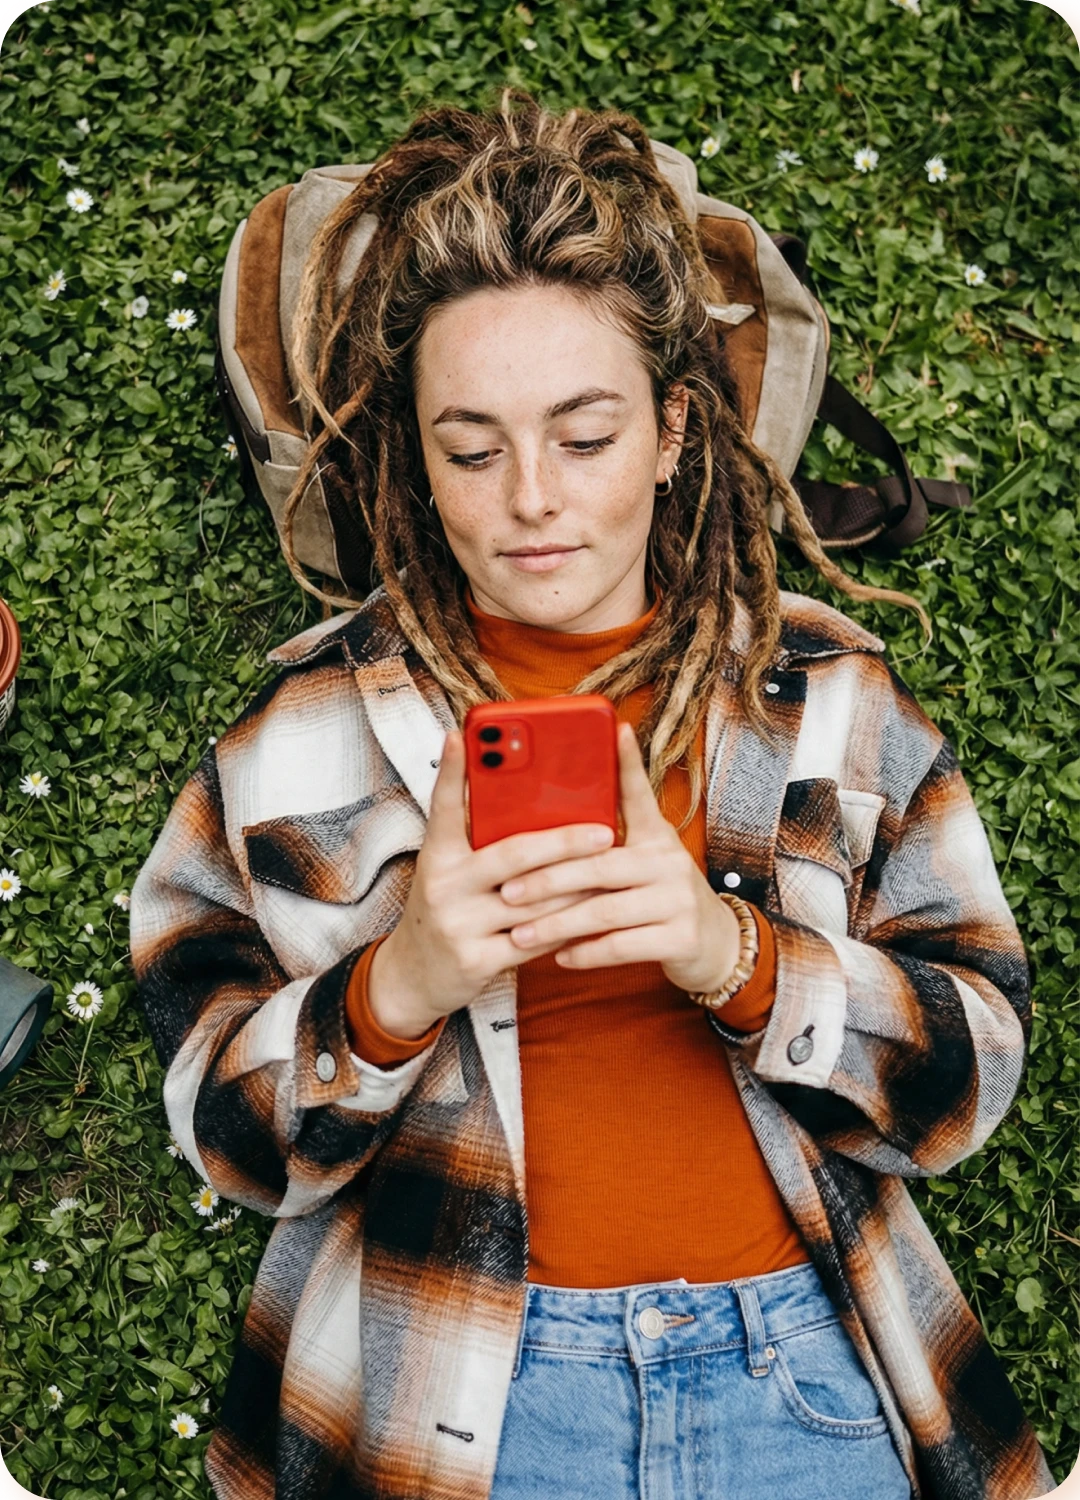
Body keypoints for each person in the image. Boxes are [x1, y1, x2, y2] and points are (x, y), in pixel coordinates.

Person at [129, 90, 1054, 1500]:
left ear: (678, 431)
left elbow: (971, 1075)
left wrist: (725, 953)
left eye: (585, 432)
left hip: (802, 1371)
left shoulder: (832, 695)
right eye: (472, 446)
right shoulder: (298, 733)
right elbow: (230, 1138)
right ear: (418, 465)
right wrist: (401, 982)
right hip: (461, 1397)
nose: (530, 502)